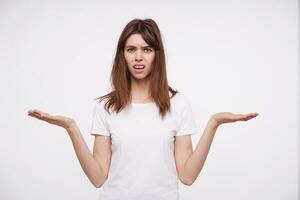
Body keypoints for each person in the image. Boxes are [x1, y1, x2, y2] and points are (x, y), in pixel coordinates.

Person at [27, 18, 258, 200]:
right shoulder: (106, 107)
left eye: (147, 49)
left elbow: (187, 176)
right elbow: (98, 178)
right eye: (131, 49)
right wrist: (72, 129)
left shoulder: (177, 104)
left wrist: (213, 124)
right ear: (122, 55)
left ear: (157, 55)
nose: (138, 57)